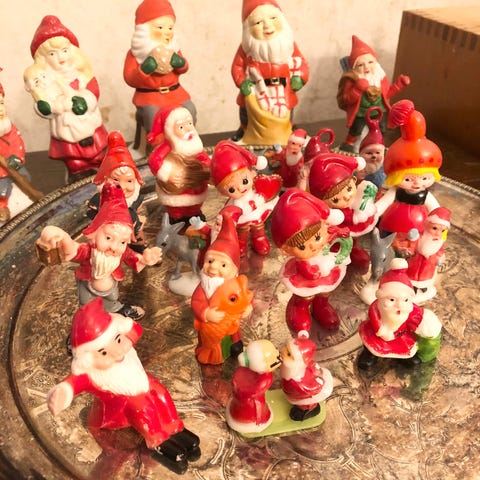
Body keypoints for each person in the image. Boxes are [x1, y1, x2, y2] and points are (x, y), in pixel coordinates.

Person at [46, 298, 200, 474]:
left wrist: (122, 322)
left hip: (142, 384)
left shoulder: (123, 348)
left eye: (118, 341)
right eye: (104, 352)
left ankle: (173, 425)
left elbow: (135, 329)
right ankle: (157, 441)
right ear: (87, 359)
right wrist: (62, 393)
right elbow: (73, 382)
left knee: (160, 393)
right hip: (117, 413)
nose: (118, 351)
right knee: (141, 408)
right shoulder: (91, 374)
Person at [35, 182, 162, 320]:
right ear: (95, 232)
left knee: (112, 299)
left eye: (122, 242)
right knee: (87, 306)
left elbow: (134, 258)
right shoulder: (89, 252)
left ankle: (115, 310)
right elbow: (73, 249)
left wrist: (145, 259)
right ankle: (87, 322)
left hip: (111, 286)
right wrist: (61, 236)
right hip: (88, 286)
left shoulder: (121, 253)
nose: (114, 247)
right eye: (108, 238)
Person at [24, 15, 108, 182]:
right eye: (52, 54)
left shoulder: (82, 75)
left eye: (64, 51)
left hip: (91, 127)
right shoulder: (45, 82)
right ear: (43, 59)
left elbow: (93, 90)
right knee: (75, 162)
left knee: (101, 154)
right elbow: (44, 105)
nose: (61, 58)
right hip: (67, 134)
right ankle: (77, 176)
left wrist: (84, 101)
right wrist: (44, 105)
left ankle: (103, 171)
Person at [270, 188, 352, 334]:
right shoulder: (302, 261)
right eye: (302, 246)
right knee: (304, 296)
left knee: (325, 293)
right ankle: (298, 307)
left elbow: (339, 238)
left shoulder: (326, 236)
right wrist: (316, 272)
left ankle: (321, 305)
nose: (314, 246)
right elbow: (308, 272)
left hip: (326, 271)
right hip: (306, 279)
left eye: (318, 237)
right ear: (286, 250)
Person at [231, 0, 309, 144]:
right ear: (248, 28)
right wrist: (242, 82)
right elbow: (237, 67)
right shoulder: (247, 48)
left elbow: (301, 63)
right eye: (258, 22)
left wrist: (300, 77)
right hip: (255, 90)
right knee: (246, 111)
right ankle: (245, 129)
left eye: (273, 18)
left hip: (283, 90)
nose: (267, 26)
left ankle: (288, 128)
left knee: (287, 112)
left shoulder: (288, 45)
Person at [375, 100, 443, 257]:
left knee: (414, 246)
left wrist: (440, 221)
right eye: (408, 179)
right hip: (392, 224)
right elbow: (383, 204)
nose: (417, 183)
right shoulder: (395, 191)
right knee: (389, 245)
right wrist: (373, 213)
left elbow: (435, 210)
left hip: (418, 226)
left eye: (425, 178)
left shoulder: (425, 195)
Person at [124, 0, 196, 138]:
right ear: (144, 30)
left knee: (190, 109)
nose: (167, 32)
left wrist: (180, 63)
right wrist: (145, 69)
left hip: (175, 93)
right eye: (160, 27)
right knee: (152, 116)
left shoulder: (173, 49)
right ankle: (156, 145)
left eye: (170, 28)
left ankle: (187, 140)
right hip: (150, 97)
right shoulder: (136, 54)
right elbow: (129, 78)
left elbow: (184, 67)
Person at [191, 209, 253, 365]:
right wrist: (205, 313)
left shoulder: (235, 283)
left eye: (223, 265)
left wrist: (248, 307)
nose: (213, 267)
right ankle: (210, 353)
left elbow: (245, 296)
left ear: (233, 268)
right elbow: (196, 301)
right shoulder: (204, 287)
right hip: (210, 327)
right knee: (210, 343)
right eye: (210, 261)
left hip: (231, 325)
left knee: (234, 338)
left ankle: (235, 345)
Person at [358, 258, 442, 370]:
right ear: (381, 296)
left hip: (400, 335)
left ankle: (400, 358)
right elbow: (374, 319)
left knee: (403, 349)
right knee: (371, 344)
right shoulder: (376, 307)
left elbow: (418, 317)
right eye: (392, 300)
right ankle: (370, 355)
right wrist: (381, 330)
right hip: (378, 335)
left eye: (405, 300)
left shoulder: (409, 308)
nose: (399, 305)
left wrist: (424, 321)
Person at [337, 35, 409, 152]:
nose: (366, 67)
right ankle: (349, 146)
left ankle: (377, 145)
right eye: (360, 64)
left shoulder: (379, 77)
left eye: (370, 62)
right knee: (356, 130)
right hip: (361, 113)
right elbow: (347, 99)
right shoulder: (352, 80)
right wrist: (357, 89)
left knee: (382, 129)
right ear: (354, 67)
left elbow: (387, 94)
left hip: (379, 111)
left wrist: (399, 85)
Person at [309, 152, 378, 274]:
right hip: (330, 243)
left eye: (349, 188)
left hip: (348, 238)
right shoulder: (328, 213)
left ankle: (352, 259)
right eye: (336, 199)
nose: (346, 197)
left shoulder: (354, 203)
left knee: (359, 255)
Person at [211, 140, 281, 256]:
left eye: (244, 181)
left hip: (256, 215)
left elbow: (266, 195)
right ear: (222, 192)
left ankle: (259, 239)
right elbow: (238, 211)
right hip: (242, 219)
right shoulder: (235, 204)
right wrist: (256, 202)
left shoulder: (255, 192)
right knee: (241, 232)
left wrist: (263, 199)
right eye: (231, 189)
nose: (240, 188)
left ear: (252, 174)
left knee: (258, 228)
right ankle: (241, 244)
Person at [147, 106, 210, 227]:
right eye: (181, 127)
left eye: (190, 123)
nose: (188, 129)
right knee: (176, 209)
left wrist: (207, 166)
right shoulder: (167, 148)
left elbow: (205, 159)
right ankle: (176, 217)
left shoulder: (196, 147)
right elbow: (155, 161)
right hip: (175, 189)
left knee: (194, 206)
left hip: (195, 186)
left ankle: (194, 214)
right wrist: (167, 174)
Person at [87, 131, 147, 252]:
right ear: (105, 180)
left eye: (129, 181)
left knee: (137, 241)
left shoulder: (135, 199)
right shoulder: (100, 201)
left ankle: (138, 249)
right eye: (115, 180)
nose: (122, 187)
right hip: (109, 238)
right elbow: (92, 213)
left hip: (131, 233)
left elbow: (138, 209)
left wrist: (138, 222)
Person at [226, 339, 282, 434]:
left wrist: (240, 390)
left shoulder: (265, 378)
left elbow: (253, 391)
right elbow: (240, 377)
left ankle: (250, 420)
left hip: (249, 403)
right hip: (241, 400)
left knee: (247, 412)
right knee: (242, 410)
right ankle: (242, 418)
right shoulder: (249, 370)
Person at [0, 77, 35, 223]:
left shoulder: (8, 127)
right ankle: (3, 207)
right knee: (3, 189)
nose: (1, 109)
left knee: (25, 177)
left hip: (12, 165)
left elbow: (17, 143)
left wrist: (17, 158)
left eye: (1, 103)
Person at [280, 331, 333, 421]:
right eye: (285, 348)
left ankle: (308, 409)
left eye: (288, 354)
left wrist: (319, 381)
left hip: (308, 396)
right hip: (303, 388)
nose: (282, 352)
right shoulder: (290, 369)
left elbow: (312, 388)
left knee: (304, 404)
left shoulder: (297, 383)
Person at [406, 207, 451, 302]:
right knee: (412, 273)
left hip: (430, 263)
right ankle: (410, 285)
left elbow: (440, 251)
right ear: (426, 225)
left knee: (425, 276)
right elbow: (412, 245)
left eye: (442, 231)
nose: (438, 233)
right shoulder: (420, 237)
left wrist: (439, 258)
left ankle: (423, 287)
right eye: (434, 228)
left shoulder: (440, 242)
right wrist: (411, 245)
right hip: (416, 260)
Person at [357, 106, 387, 189]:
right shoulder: (359, 168)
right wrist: (358, 177)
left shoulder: (384, 168)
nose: (374, 156)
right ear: (361, 154)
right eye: (369, 153)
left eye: (378, 153)